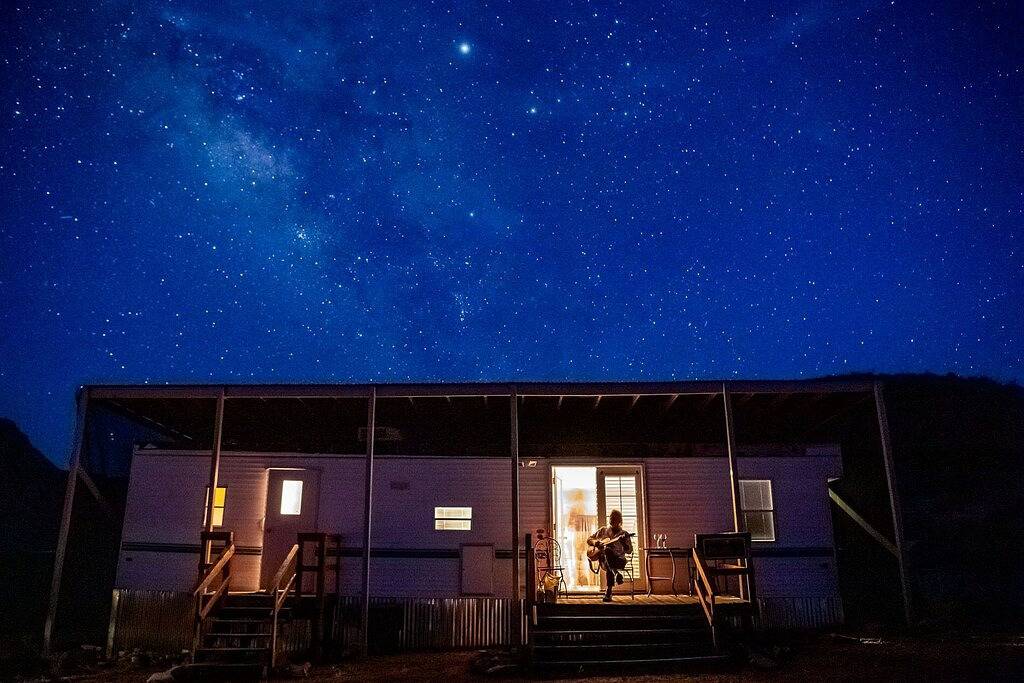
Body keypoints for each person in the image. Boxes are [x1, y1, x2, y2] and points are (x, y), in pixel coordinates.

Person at [587, 509, 633, 602]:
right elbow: (589, 539)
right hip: (604, 560)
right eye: (611, 518)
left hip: (619, 561)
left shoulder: (624, 534)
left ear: (619, 521)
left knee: (609, 562)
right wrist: (596, 543)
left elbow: (629, 551)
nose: (612, 520)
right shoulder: (603, 530)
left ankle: (609, 592)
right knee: (607, 551)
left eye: (614, 518)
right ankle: (615, 575)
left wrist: (624, 543)